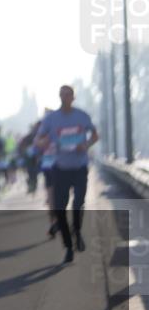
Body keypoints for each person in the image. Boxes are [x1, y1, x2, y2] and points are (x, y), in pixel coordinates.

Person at [36, 86, 99, 264]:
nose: (65, 98)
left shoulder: (82, 116)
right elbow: (38, 140)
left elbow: (95, 135)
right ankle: (69, 246)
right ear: (59, 97)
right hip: (61, 169)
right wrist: (44, 142)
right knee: (60, 208)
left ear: (73, 97)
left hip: (79, 167)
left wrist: (86, 145)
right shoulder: (51, 119)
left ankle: (77, 231)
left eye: (68, 95)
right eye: (62, 95)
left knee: (78, 203)